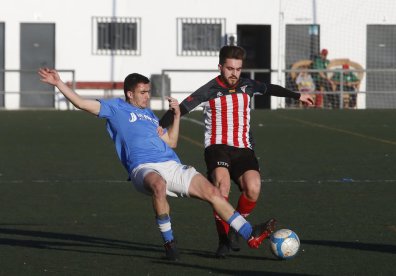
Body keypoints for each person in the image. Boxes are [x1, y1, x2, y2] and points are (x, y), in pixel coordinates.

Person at [38, 68, 276, 261]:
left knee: (213, 193)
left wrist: (176, 116)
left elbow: (171, 142)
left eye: (148, 92)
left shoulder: (150, 115)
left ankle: (250, 235)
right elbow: (80, 103)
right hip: (143, 168)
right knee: (158, 185)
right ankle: (169, 242)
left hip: (171, 164)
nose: (146, 96)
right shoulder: (114, 108)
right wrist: (59, 83)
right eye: (142, 92)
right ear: (129, 94)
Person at [159, 45, 314, 258]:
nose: (234, 73)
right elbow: (181, 109)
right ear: (221, 67)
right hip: (217, 148)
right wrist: (158, 126)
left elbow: (270, 88)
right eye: (230, 68)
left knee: (254, 187)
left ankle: (234, 228)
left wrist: (297, 96)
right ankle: (223, 241)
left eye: (238, 69)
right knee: (221, 189)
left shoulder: (248, 85)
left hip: (243, 148)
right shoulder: (209, 89)